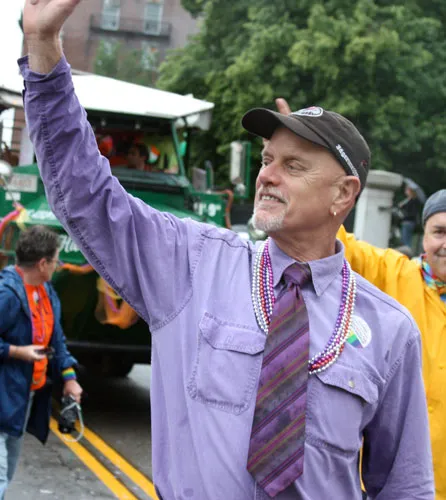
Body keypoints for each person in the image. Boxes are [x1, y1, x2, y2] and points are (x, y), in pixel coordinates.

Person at [19, 2, 434, 498]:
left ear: (343, 195)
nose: (267, 175)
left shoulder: (390, 330)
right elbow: (87, 195)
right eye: (267, 159)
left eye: (293, 166)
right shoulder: (191, 263)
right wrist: (43, 49)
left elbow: (405, 487)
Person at [275, 95, 445, 499]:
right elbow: (334, 237)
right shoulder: (393, 273)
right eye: (440, 232)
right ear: (422, 236)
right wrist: (303, 167)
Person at [0, 225, 82, 498]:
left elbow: (56, 340)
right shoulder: (8, 294)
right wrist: (16, 351)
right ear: (42, 263)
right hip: (4, 396)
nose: (59, 265)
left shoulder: (46, 292)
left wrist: (69, 378)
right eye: (56, 260)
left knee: (7, 474)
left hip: (21, 400)